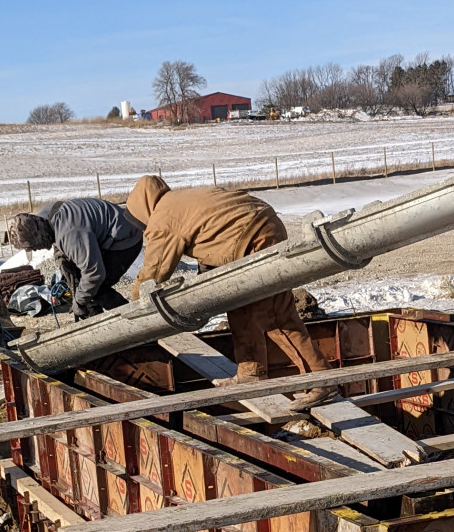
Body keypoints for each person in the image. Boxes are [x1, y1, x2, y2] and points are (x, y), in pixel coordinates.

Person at [125, 175, 338, 411]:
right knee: (240, 307)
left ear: (143, 209)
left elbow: (154, 272)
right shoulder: (181, 199)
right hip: (263, 226)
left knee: (275, 316)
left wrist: (136, 306)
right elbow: (214, 234)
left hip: (253, 238)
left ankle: (321, 380)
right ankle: (251, 372)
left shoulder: (164, 217)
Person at [6, 197, 143, 320]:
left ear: (38, 238)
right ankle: (92, 315)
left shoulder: (70, 235)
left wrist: (79, 301)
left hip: (125, 238)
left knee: (97, 288)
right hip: (106, 228)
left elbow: (94, 274)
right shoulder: (43, 218)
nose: (36, 250)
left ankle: (133, 320)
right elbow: (59, 242)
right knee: (72, 272)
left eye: (34, 246)